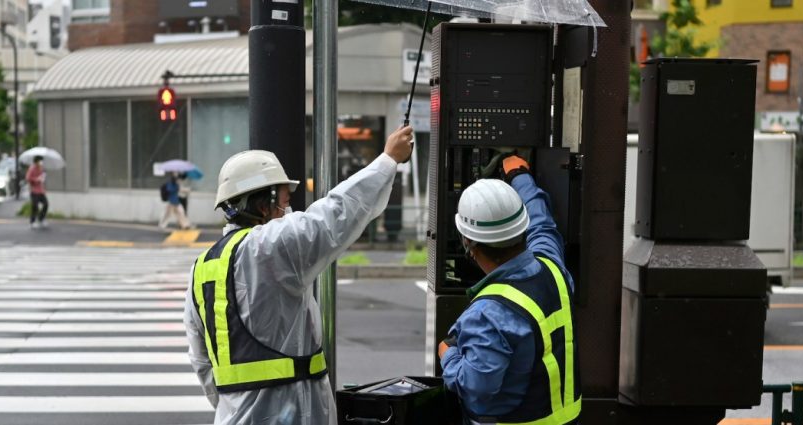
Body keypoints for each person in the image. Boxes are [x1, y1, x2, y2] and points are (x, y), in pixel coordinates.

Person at [183, 125, 414, 424]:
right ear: (263, 202)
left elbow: (201, 360)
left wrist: (233, 402)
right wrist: (387, 159)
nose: (287, 207)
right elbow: (335, 214)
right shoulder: (269, 246)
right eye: (283, 198)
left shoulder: (202, 267)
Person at [438, 155, 581, 424]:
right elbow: (542, 223)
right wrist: (519, 174)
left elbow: (476, 391)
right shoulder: (552, 268)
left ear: (468, 242)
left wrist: (449, 355)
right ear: (521, 225)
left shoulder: (487, 314)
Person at [26, 156, 49, 229]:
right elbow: (28, 178)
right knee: (35, 206)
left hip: (41, 190)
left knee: (46, 204)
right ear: (36, 161)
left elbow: (42, 177)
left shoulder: (41, 169)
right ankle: (32, 222)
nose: (41, 162)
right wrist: (36, 179)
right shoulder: (32, 168)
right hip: (34, 190)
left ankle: (41, 219)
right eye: (40, 161)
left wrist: (42, 177)